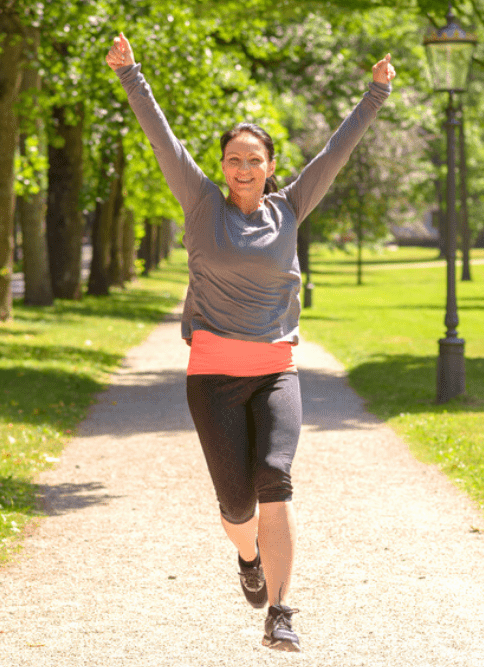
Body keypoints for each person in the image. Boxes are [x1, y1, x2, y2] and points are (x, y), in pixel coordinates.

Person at [106, 32, 395, 653]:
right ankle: (248, 562)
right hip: (211, 377)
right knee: (237, 508)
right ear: (222, 166)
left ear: (270, 165)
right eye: (233, 159)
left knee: (274, 478)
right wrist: (132, 76)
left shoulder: (291, 207)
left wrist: (376, 93)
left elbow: (335, 153)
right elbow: (163, 140)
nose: (243, 169)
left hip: (275, 371)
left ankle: (282, 611)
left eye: (254, 159)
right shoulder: (201, 202)